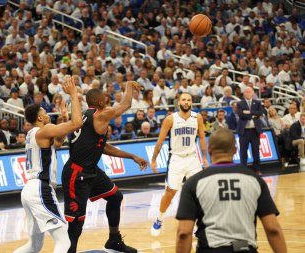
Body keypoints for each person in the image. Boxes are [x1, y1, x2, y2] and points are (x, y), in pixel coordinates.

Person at [62, 81, 148, 253]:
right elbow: (126, 104)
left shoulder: (86, 115)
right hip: (76, 174)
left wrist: (131, 156)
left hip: (91, 170)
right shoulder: (100, 115)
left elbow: (103, 147)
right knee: (77, 221)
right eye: (106, 100)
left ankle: (114, 240)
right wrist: (129, 85)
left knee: (115, 197)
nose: (108, 103)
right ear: (101, 103)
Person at [176, 128, 287, 253]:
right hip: (246, 249)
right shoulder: (255, 180)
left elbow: (184, 233)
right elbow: (273, 229)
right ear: (235, 150)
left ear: (209, 150)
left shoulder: (193, 183)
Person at [13, 76, 82, 253]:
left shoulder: (33, 133)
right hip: (39, 189)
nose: (47, 113)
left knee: (35, 245)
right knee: (64, 242)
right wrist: (74, 95)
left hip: (29, 189)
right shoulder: (44, 130)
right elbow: (77, 124)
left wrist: (63, 119)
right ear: (39, 117)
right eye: (44, 112)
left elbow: (57, 143)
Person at [150, 92, 209, 237]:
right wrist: (153, 160)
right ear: (179, 102)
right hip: (176, 158)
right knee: (170, 193)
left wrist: (205, 158)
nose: (186, 102)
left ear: (191, 103)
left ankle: (198, 225)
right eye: (184, 100)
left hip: (192, 158)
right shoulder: (170, 119)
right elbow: (160, 141)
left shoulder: (197, 117)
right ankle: (159, 219)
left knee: (199, 192)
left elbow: (202, 138)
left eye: (189, 100)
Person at [237, 87, 263, 175]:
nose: (248, 93)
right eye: (246, 91)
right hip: (244, 131)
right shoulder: (240, 103)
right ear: (244, 93)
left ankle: (257, 169)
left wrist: (248, 112)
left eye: (249, 91)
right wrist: (253, 115)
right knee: (243, 152)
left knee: (256, 151)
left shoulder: (258, 102)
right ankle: (244, 170)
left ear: (252, 93)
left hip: (255, 131)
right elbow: (241, 115)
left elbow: (260, 112)